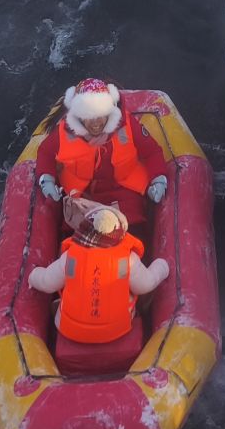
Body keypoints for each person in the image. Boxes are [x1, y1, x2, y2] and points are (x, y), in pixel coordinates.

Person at [28, 199, 169, 344]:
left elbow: (46, 283)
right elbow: (145, 285)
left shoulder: (70, 257)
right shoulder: (127, 259)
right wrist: (162, 267)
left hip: (70, 329)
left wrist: (33, 275)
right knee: (135, 292)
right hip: (116, 330)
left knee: (66, 294)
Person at [35, 78, 169, 228]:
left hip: (124, 190)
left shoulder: (129, 126)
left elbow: (152, 151)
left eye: (100, 114)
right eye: (89, 116)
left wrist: (159, 179)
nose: (96, 122)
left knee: (133, 231)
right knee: (79, 240)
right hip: (82, 195)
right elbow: (45, 152)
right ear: (79, 116)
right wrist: (47, 181)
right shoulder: (64, 133)